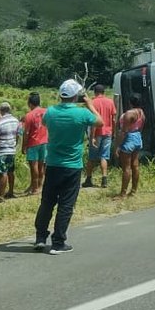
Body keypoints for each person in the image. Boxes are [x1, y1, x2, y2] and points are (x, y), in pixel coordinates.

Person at [33, 79, 101, 254]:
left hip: (53, 163)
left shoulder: (51, 112)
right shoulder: (81, 114)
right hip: (72, 165)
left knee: (47, 202)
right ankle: (58, 242)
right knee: (66, 205)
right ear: (76, 96)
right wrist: (89, 104)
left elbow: (46, 123)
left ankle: (40, 237)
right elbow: (99, 121)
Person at [82, 84, 118, 189]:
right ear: (104, 92)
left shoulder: (92, 102)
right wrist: (114, 132)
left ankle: (88, 179)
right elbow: (114, 119)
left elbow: (93, 121)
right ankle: (104, 180)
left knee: (92, 157)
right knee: (104, 157)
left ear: (95, 92)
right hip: (108, 132)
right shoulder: (110, 101)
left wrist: (92, 136)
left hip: (96, 133)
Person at [115, 93, 146, 198]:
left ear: (130, 102)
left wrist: (118, 146)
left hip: (129, 139)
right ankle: (133, 191)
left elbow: (124, 131)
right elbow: (141, 127)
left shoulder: (129, 114)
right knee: (135, 165)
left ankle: (123, 193)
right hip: (137, 137)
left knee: (126, 168)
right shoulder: (141, 113)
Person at [0, 101, 20, 203]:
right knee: (11, 171)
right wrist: (14, 145)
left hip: (2, 149)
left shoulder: (0, 122)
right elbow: (18, 135)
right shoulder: (16, 121)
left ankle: (0, 196)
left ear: (0, 111)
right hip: (11, 149)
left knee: (3, 173)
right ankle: (10, 191)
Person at [21, 92, 47, 196]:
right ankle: (38, 185)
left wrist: (24, 146)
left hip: (33, 142)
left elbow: (26, 133)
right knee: (41, 165)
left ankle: (35, 187)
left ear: (30, 103)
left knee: (34, 166)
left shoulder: (29, 115)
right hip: (44, 141)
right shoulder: (45, 112)